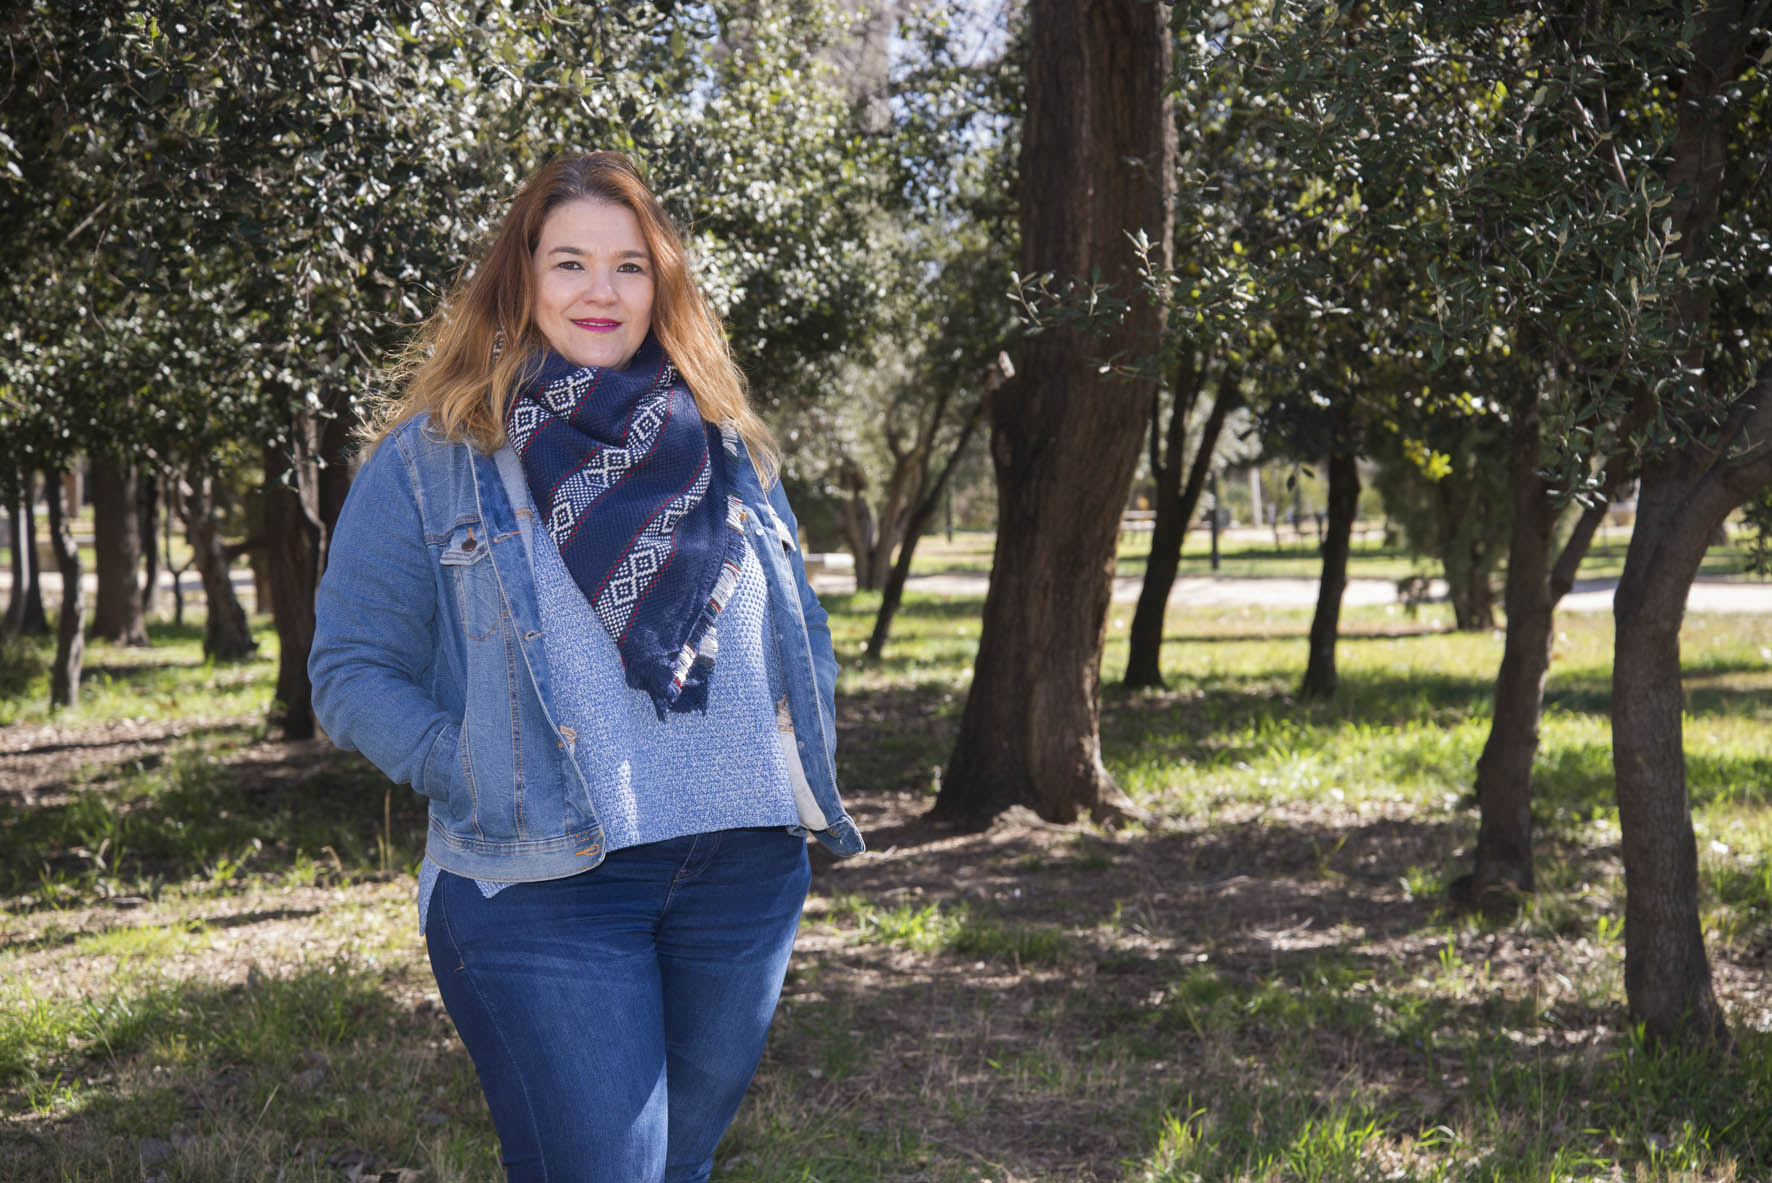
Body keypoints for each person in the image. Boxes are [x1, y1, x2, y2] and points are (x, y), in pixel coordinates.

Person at [308, 151, 865, 1183]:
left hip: (741, 871)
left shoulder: (729, 442)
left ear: (664, 285)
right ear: (520, 280)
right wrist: (467, 761)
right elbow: (348, 667)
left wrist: (805, 727)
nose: (600, 293)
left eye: (629, 266)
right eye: (569, 263)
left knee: (677, 1170)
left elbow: (798, 627)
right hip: (543, 883)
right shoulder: (436, 459)